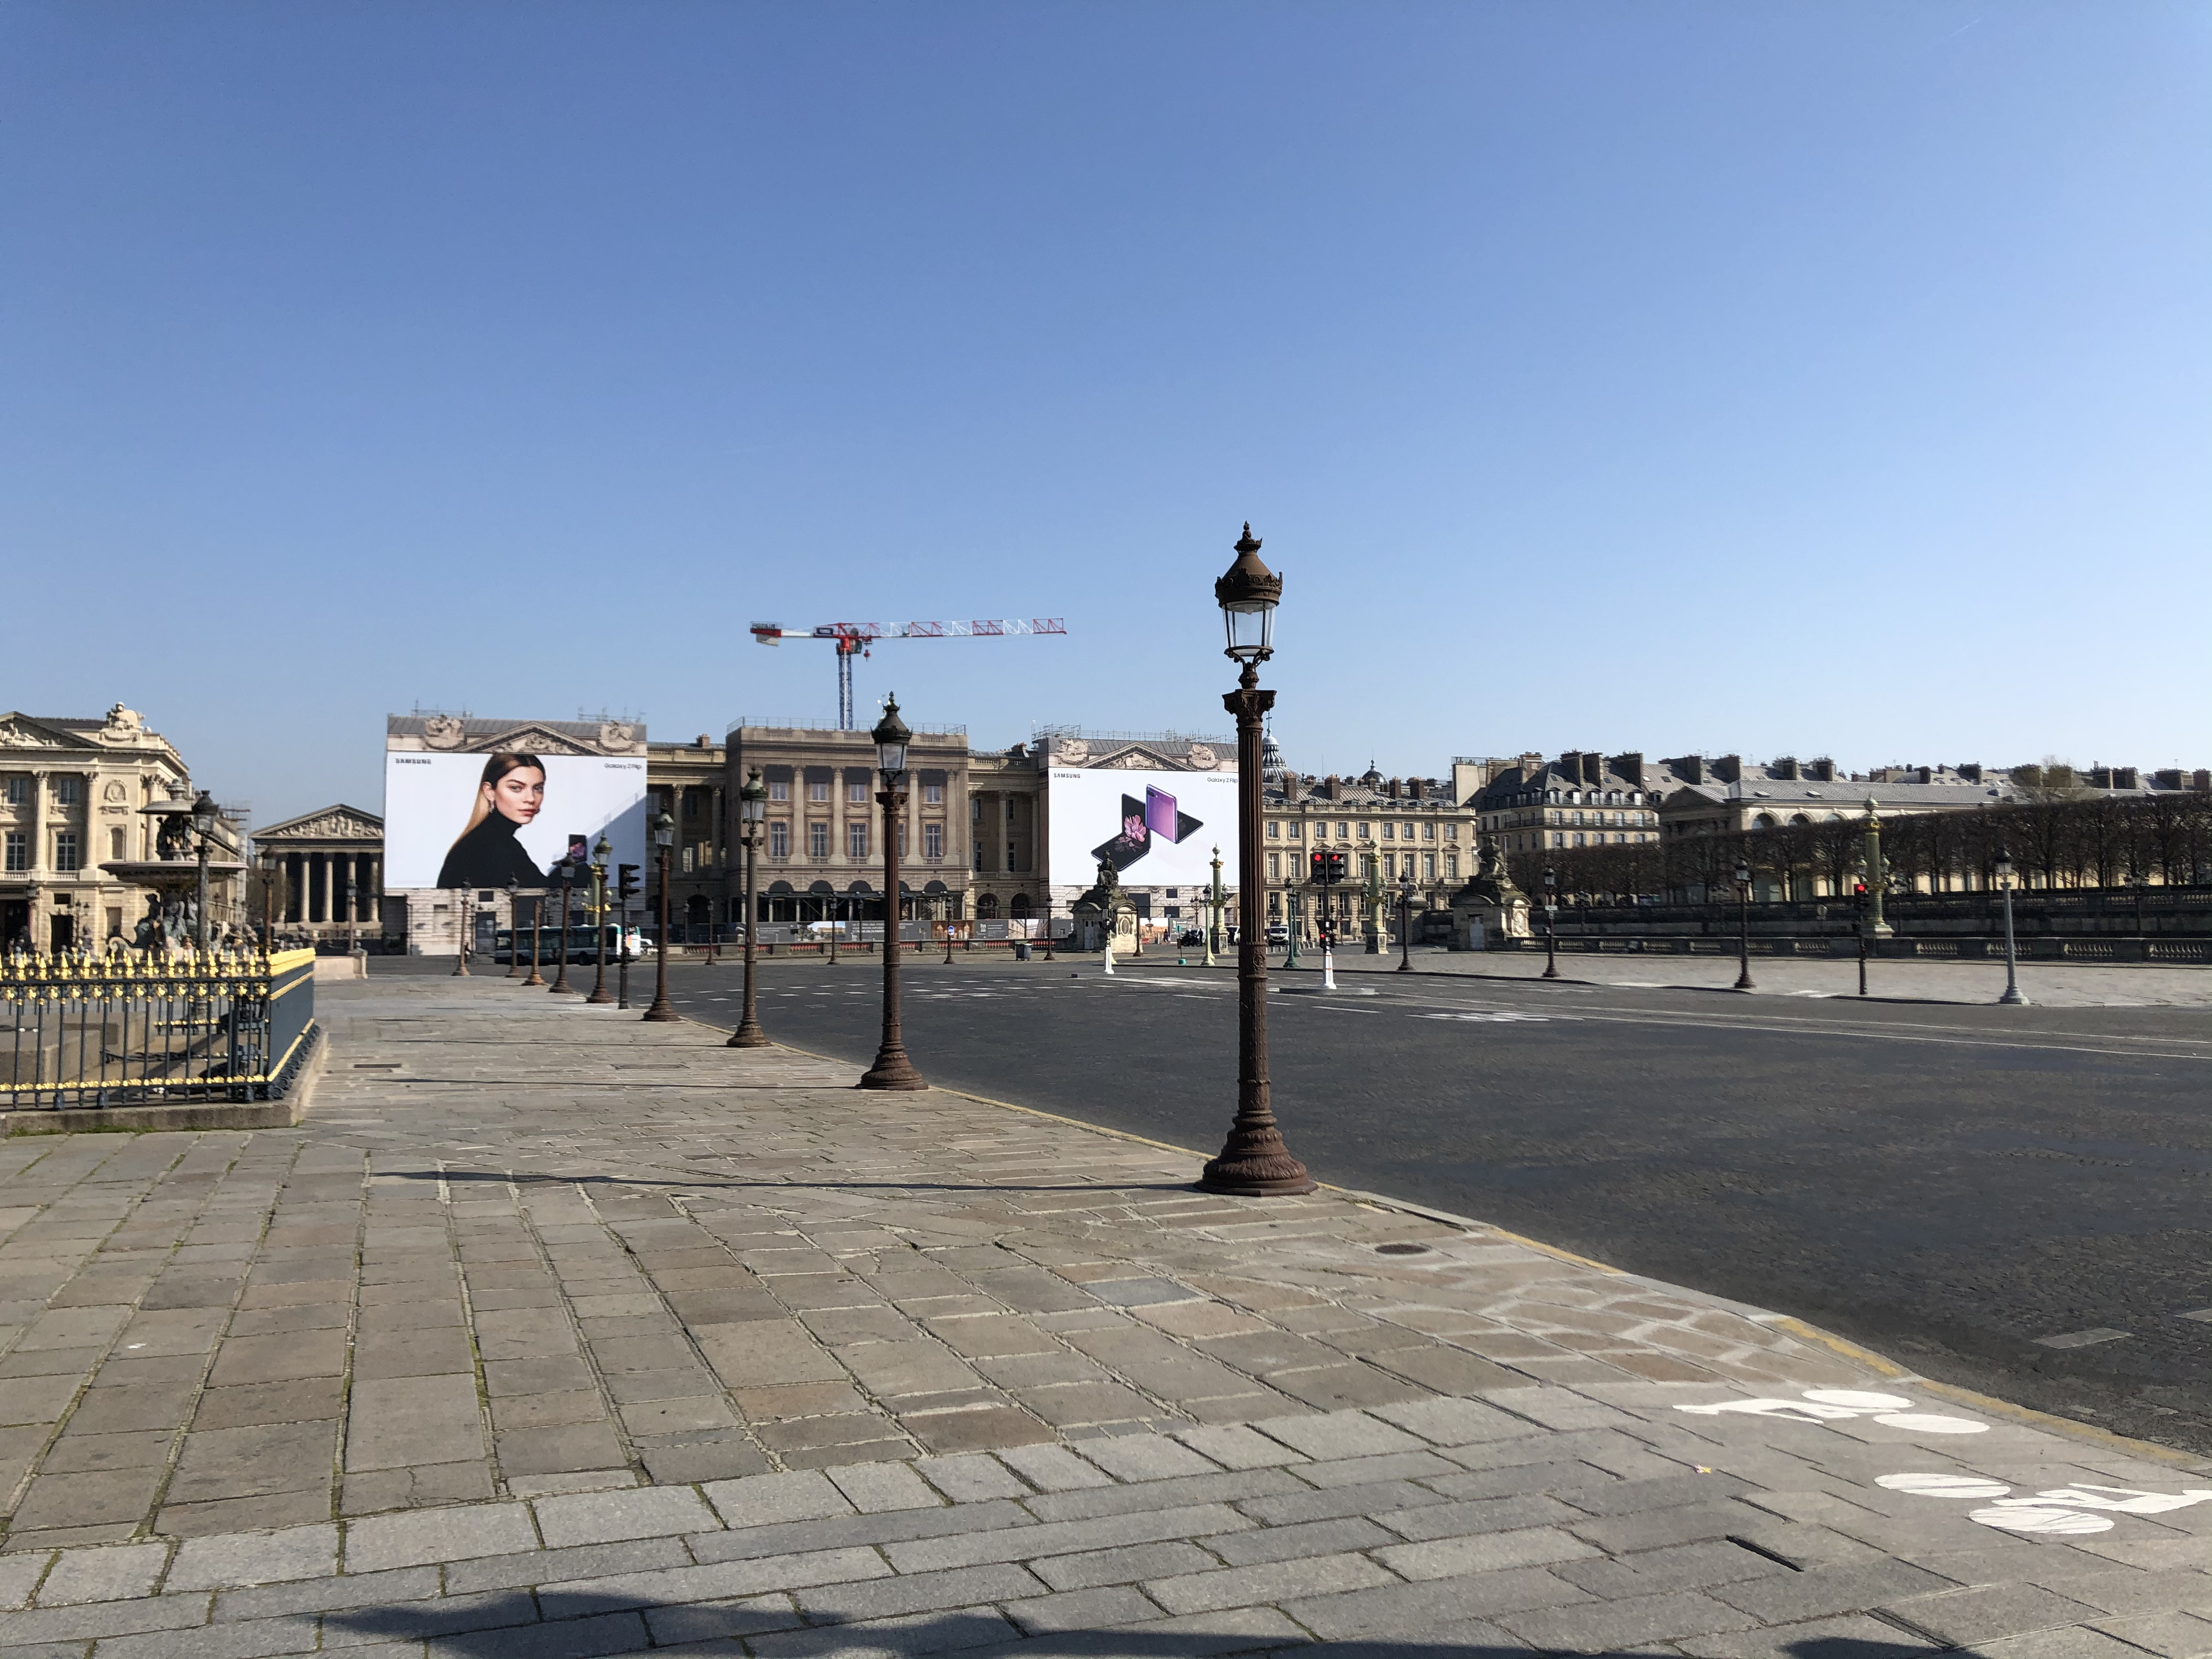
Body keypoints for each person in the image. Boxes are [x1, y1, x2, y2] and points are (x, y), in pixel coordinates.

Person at [437, 753, 550, 889]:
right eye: (516, 788)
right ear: (490, 791)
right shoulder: (486, 845)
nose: (531, 798)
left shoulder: (497, 840)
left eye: (538, 788)